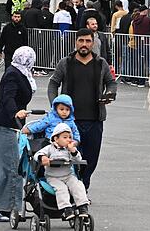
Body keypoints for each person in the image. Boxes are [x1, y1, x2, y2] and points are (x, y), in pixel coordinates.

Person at [48, 28, 117, 190]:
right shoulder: (66, 63)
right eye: (81, 41)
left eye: (87, 41)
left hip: (94, 119)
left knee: (91, 158)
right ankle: (73, 188)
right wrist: (55, 104)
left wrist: (110, 94)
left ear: (93, 43)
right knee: (70, 156)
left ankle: (84, 185)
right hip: (70, 122)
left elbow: (111, 83)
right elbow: (53, 83)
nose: (84, 44)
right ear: (75, 42)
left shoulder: (101, 63)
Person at [0, 46, 37, 222]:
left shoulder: (18, 72)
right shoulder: (13, 73)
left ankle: (3, 207)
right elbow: (7, 97)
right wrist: (16, 113)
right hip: (6, 124)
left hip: (7, 124)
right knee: (10, 168)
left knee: (4, 167)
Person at [34, 123, 90, 219]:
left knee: (78, 185)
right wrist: (43, 158)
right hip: (53, 177)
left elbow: (78, 159)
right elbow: (37, 154)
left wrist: (73, 151)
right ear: (56, 139)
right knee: (61, 189)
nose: (68, 139)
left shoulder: (70, 149)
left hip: (68, 175)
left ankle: (82, 206)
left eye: (69, 137)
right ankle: (66, 209)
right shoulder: (49, 148)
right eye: (65, 137)